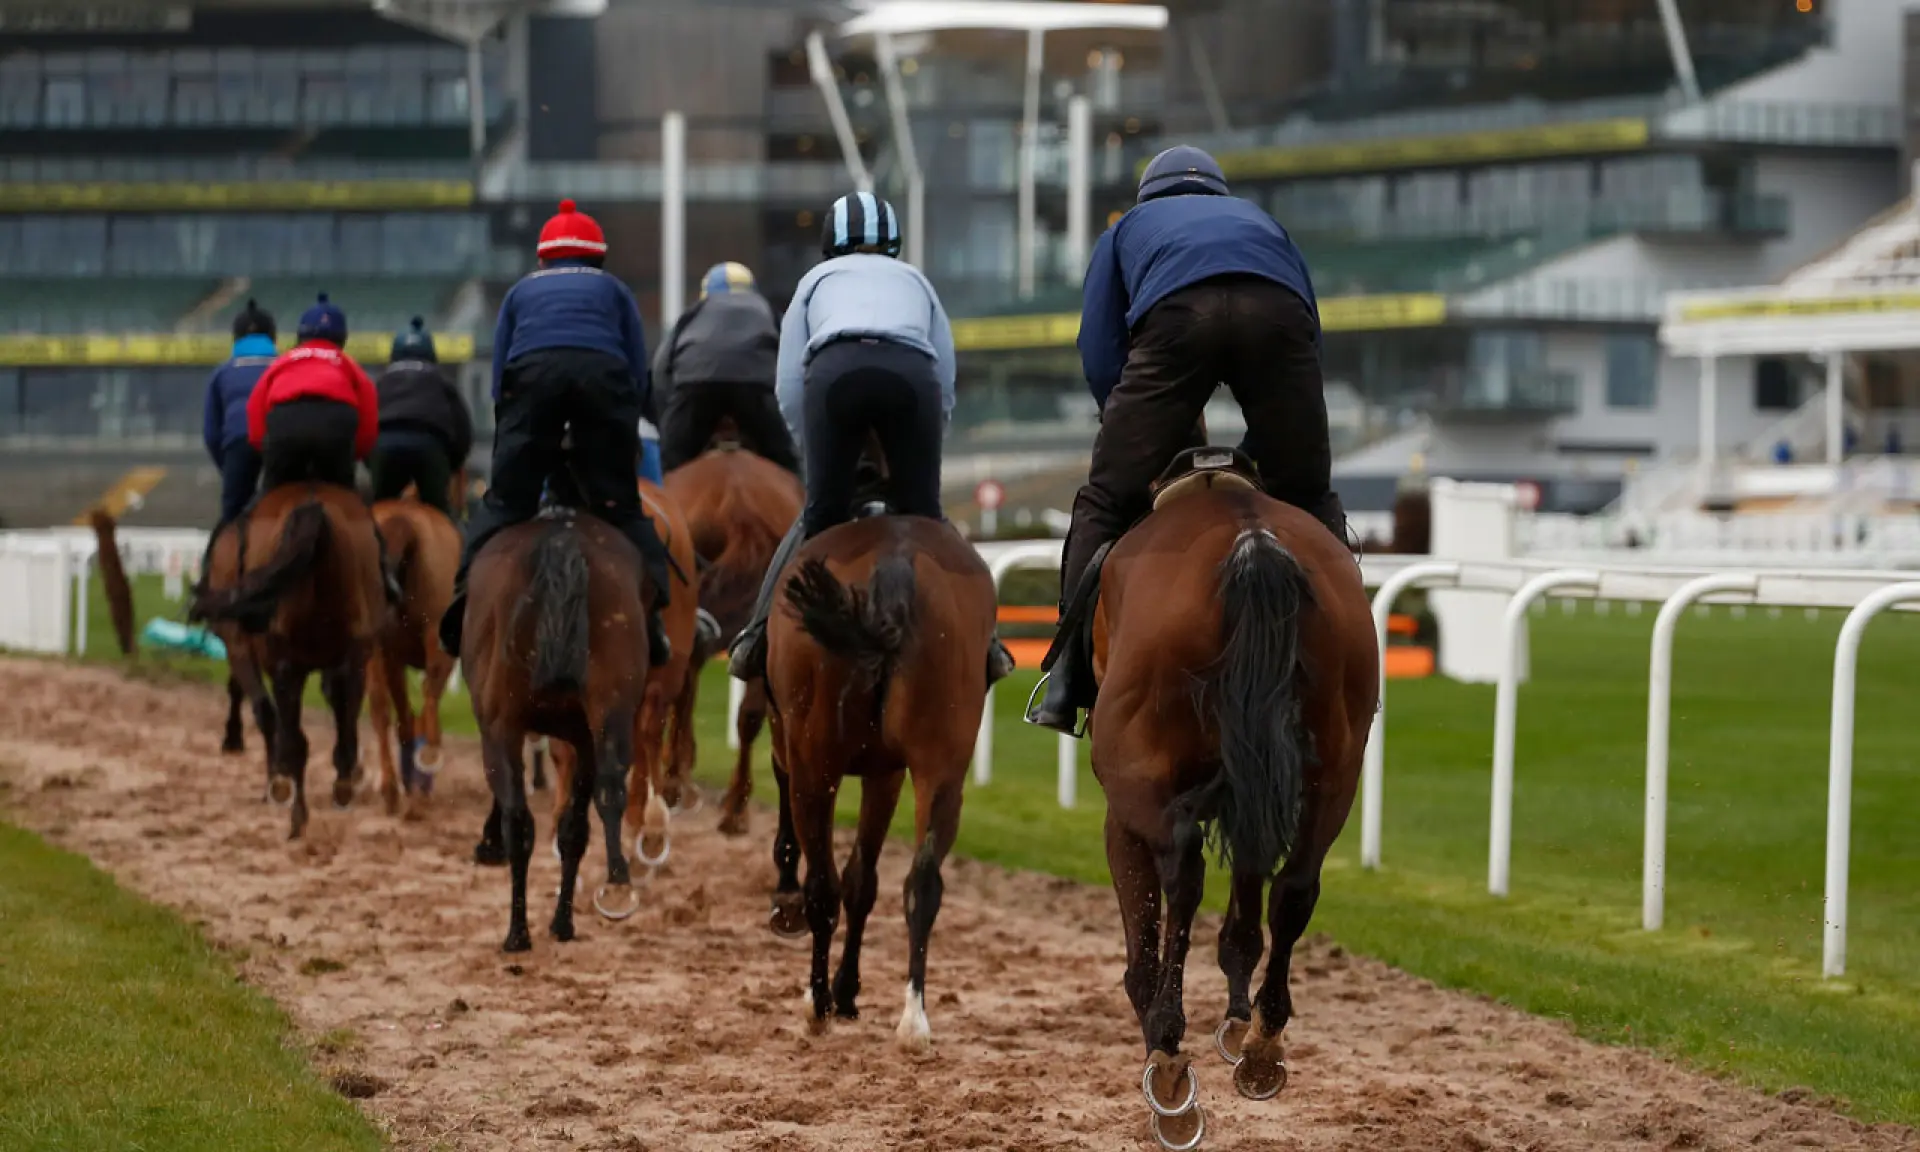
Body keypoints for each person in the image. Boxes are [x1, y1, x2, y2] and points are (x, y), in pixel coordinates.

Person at [1026, 145, 1348, 735]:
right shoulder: (1262, 222)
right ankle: (1351, 665)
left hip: (1179, 319)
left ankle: (1068, 678)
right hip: (1276, 319)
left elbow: (1100, 353)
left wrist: (1132, 430)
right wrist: (1272, 458)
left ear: (1149, 196)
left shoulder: (1128, 230)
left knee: (1104, 500)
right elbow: (1308, 343)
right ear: (1220, 196)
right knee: (1312, 493)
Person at [725, 191, 1015, 687]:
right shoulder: (916, 280)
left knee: (820, 515)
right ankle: (986, 645)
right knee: (927, 515)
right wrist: (924, 448)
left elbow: (790, 384)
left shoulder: (814, 281)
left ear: (830, 243)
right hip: (912, 378)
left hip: (835, 374)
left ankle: (754, 637)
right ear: (894, 242)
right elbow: (944, 376)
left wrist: (812, 447)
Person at [438, 198, 672, 667]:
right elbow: (637, 373)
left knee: (504, 506)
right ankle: (655, 619)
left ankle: (461, 609)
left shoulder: (521, 292)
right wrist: (628, 427)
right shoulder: (615, 290)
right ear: (597, 257)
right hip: (601, 381)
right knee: (622, 508)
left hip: (533, 381)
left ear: (543, 258)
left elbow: (503, 375)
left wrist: (516, 445)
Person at [653, 261, 800, 475]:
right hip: (755, 385)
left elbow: (661, 368)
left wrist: (671, 415)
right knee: (786, 460)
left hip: (696, 383)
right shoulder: (765, 308)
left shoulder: (695, 311)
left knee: (672, 461)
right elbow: (791, 359)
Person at [247, 293, 379, 494]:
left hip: (285, 423)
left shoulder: (283, 361)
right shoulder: (348, 364)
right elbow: (369, 423)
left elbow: (254, 411)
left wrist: (269, 451)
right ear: (342, 338)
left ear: (300, 336)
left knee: (266, 503)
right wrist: (351, 454)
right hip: (335, 425)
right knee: (347, 503)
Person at [193, 298, 279, 588]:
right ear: (273, 337)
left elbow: (210, 432)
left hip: (237, 445)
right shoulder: (282, 367)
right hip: (276, 445)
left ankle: (209, 588)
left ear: (236, 338)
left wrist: (228, 468)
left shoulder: (221, 373)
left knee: (230, 521)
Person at [369, 316, 474, 517]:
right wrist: (450, 464)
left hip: (385, 446)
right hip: (429, 446)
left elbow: (363, 425)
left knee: (378, 510)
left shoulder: (380, 382)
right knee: (440, 513)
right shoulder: (442, 381)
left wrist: (372, 462)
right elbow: (463, 432)